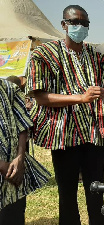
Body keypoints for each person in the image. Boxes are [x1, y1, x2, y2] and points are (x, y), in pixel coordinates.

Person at [25, 5, 104, 225]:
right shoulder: (43, 55)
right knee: (66, 192)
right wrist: (80, 97)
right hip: (64, 133)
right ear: (63, 25)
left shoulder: (98, 59)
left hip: (93, 133)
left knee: (95, 189)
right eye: (74, 22)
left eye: (84, 23)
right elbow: (40, 96)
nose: (80, 26)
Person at [0, 79, 50, 225]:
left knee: (13, 215)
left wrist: (20, 158)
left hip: (14, 173)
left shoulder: (9, 88)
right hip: (7, 168)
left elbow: (23, 124)